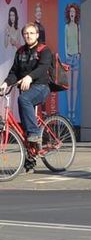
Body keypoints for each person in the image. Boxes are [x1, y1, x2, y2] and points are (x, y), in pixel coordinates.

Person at [0, 22, 52, 172]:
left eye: (31, 33)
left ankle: (35, 134)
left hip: (41, 87)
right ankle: (30, 160)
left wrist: (29, 77)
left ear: (37, 35)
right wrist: (5, 83)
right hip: (26, 89)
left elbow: (43, 68)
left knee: (23, 100)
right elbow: (14, 72)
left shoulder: (44, 50)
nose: (28, 36)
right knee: (24, 128)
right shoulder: (21, 52)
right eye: (26, 34)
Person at [64, 3, 81, 122]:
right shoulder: (66, 27)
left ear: (76, 14)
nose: (72, 14)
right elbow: (65, 42)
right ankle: (69, 110)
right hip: (69, 58)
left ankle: (73, 111)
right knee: (68, 86)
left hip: (76, 58)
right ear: (68, 13)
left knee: (75, 87)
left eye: (73, 12)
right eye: (70, 12)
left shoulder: (78, 26)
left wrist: (80, 53)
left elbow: (80, 41)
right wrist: (66, 55)